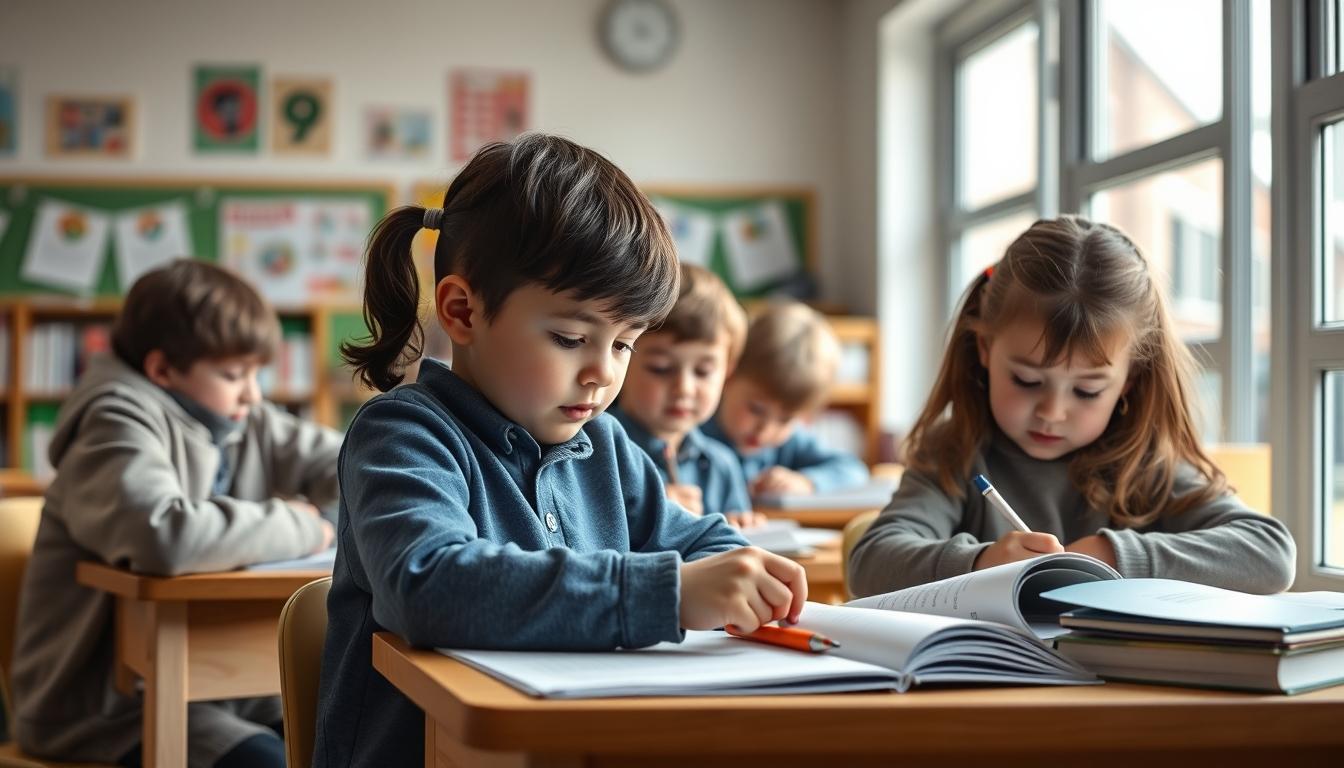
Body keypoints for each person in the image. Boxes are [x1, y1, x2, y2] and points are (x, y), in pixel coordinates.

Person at [313, 134, 807, 767]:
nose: (603, 372)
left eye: (625, 344)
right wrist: (669, 595)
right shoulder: (403, 433)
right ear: (463, 312)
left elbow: (693, 542)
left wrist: (746, 574)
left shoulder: (603, 443)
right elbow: (428, 584)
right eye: (572, 338)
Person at [847, 215, 1295, 597]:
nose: (1052, 412)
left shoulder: (1145, 463)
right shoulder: (956, 451)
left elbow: (1269, 552)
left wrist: (1108, 555)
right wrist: (981, 562)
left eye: (1087, 391)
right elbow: (870, 562)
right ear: (984, 347)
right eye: (1026, 380)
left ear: (1129, 381)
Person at [12, 259, 340, 768]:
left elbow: (348, 461)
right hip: (102, 705)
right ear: (162, 369)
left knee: (345, 733)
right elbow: (162, 534)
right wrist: (306, 526)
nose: (252, 393)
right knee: (270, 761)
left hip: (209, 684)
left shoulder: (239, 415)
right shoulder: (113, 420)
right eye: (233, 374)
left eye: (256, 373)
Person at [610, 263, 763, 526]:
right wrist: (649, 511)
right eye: (661, 368)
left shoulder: (721, 465)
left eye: (703, 372)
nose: (684, 388)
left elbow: (735, 551)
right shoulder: (595, 454)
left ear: (727, 372)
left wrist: (742, 527)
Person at [704, 302, 869, 497]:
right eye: (756, 409)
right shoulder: (694, 434)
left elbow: (853, 470)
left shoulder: (790, 441)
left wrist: (805, 481)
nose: (765, 430)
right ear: (729, 376)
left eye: (785, 419)